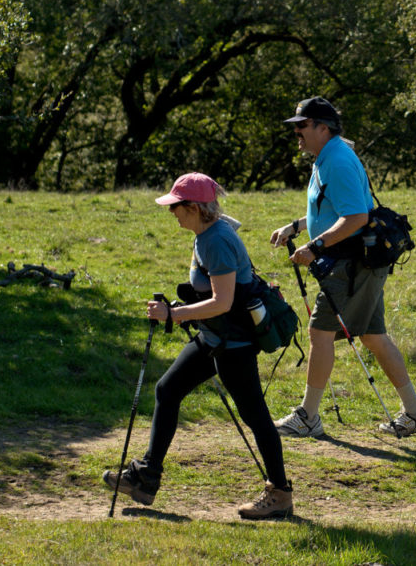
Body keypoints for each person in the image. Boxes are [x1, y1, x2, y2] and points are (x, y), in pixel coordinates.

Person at [102, 172, 293, 520]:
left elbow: (223, 301)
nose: (171, 213)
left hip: (233, 343)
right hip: (214, 337)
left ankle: (280, 493)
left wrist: (173, 315)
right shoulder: (206, 233)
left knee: (256, 417)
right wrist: (184, 310)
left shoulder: (216, 240)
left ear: (193, 207)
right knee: (168, 390)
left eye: (175, 207)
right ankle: (145, 478)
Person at [269, 96, 416, 438]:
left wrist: (315, 246)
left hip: (350, 264)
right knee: (374, 337)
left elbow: (356, 216)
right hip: (354, 262)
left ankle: (308, 417)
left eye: (302, 126)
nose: (296, 133)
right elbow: (334, 209)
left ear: (322, 128)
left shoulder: (338, 160)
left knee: (319, 333)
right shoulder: (325, 158)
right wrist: (297, 226)